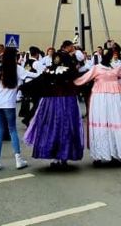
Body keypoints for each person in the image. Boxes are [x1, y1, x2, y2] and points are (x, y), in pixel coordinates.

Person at [24, 40, 84, 168]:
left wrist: (24, 87)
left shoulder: (50, 71)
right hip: (67, 100)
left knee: (50, 126)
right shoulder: (68, 69)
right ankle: (63, 157)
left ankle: (54, 157)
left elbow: (39, 80)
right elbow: (76, 76)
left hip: (50, 101)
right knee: (66, 127)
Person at [74, 46, 121, 164]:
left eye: (108, 56)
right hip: (100, 98)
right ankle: (99, 154)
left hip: (115, 98)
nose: (107, 58)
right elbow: (83, 79)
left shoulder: (116, 67)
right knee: (101, 123)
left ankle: (115, 153)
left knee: (114, 123)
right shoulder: (96, 68)